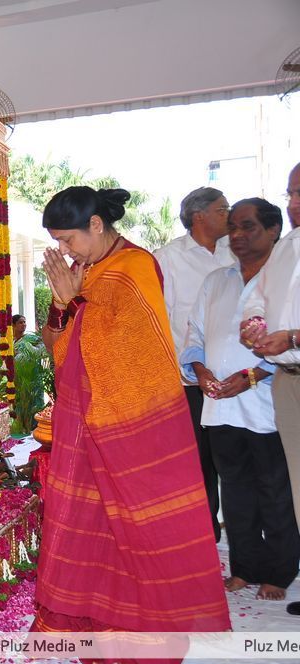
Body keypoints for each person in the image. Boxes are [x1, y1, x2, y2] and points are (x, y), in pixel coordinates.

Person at [34, 186, 230, 664]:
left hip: (129, 426)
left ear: (96, 226)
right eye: (58, 242)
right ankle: (88, 625)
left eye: (68, 239)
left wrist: (76, 299)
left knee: (136, 531)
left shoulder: (135, 267)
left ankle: (143, 637)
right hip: (85, 423)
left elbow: (130, 350)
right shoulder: (91, 270)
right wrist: (67, 303)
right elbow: (66, 348)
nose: (64, 251)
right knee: (88, 527)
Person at [182, 198, 298, 601]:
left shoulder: (286, 281)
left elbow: (290, 346)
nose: (238, 235)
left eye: (248, 227)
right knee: (234, 492)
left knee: (275, 491)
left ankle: (279, 572)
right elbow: (194, 335)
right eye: (233, 227)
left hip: (268, 406)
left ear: (272, 232)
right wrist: (200, 373)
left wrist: (251, 376)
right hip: (219, 406)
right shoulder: (217, 281)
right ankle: (244, 567)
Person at [154, 187, 233, 542]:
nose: (229, 215)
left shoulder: (237, 250)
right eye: (222, 209)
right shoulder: (169, 259)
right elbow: (162, 320)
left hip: (241, 377)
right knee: (200, 459)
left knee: (235, 457)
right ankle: (205, 529)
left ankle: (243, 529)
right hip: (189, 381)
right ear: (199, 216)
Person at [240, 162, 300, 614]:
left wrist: (295, 337)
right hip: (288, 380)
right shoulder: (286, 248)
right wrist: (256, 326)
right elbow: (258, 296)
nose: (293, 203)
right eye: (290, 193)